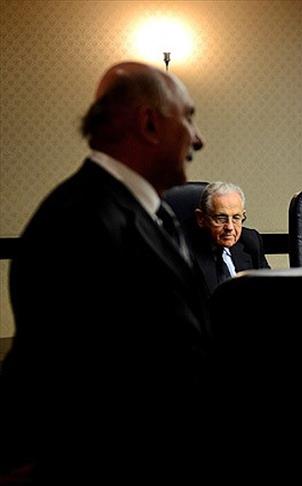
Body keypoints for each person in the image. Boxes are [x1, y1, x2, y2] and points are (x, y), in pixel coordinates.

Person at [0, 62, 213, 484]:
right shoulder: (78, 222)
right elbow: (82, 390)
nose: (198, 138)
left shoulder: (149, 212)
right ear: (149, 123)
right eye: (188, 118)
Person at [189, 181, 270, 293]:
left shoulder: (251, 241)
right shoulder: (185, 251)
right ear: (201, 218)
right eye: (221, 218)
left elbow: (269, 289)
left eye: (236, 218)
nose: (230, 227)